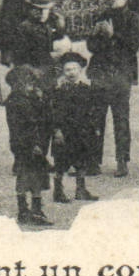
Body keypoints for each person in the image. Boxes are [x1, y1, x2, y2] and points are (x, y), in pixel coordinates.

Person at [86, 0, 139, 176]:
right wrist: (94, 35)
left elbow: (133, 46)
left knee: (121, 119)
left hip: (120, 75)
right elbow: (91, 47)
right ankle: (93, 161)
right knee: (95, 117)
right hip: (100, 73)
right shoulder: (102, 16)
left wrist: (112, 35)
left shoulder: (133, 18)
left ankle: (122, 160)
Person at [5, 64, 53, 227]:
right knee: (33, 176)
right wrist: (36, 144)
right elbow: (30, 124)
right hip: (29, 144)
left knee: (24, 175)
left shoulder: (17, 99)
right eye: (30, 83)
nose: (33, 86)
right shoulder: (21, 102)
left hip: (21, 144)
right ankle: (34, 210)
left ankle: (24, 209)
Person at [49, 53, 101, 204]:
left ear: (80, 70)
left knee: (82, 160)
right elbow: (54, 112)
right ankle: (58, 191)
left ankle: (81, 189)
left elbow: (93, 110)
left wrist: (95, 127)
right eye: (67, 70)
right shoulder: (58, 90)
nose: (71, 73)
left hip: (82, 131)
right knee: (61, 162)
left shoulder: (87, 89)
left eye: (74, 69)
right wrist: (56, 130)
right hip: (64, 132)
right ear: (63, 72)